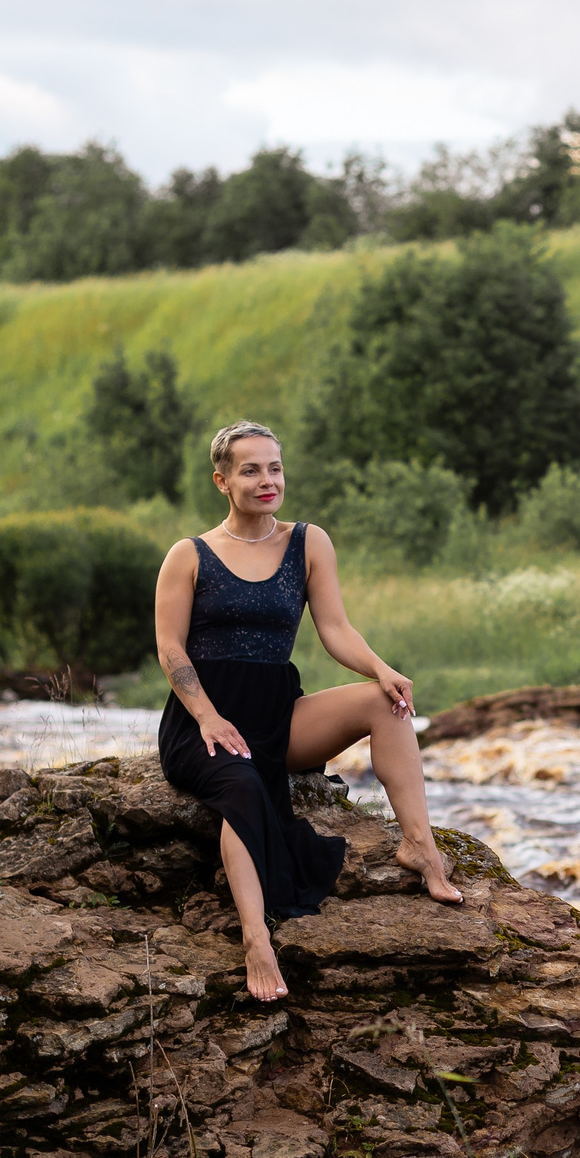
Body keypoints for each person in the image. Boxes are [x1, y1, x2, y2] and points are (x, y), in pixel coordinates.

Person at [154, 420, 464, 1002]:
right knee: (243, 788)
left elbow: (336, 629)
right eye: (250, 469)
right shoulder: (189, 555)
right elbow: (170, 649)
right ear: (222, 480)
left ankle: (419, 845)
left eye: (274, 467)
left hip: (278, 714)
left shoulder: (308, 542)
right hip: (205, 722)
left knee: (386, 703)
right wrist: (207, 716)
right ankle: (256, 939)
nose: (267, 480)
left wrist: (379, 667)